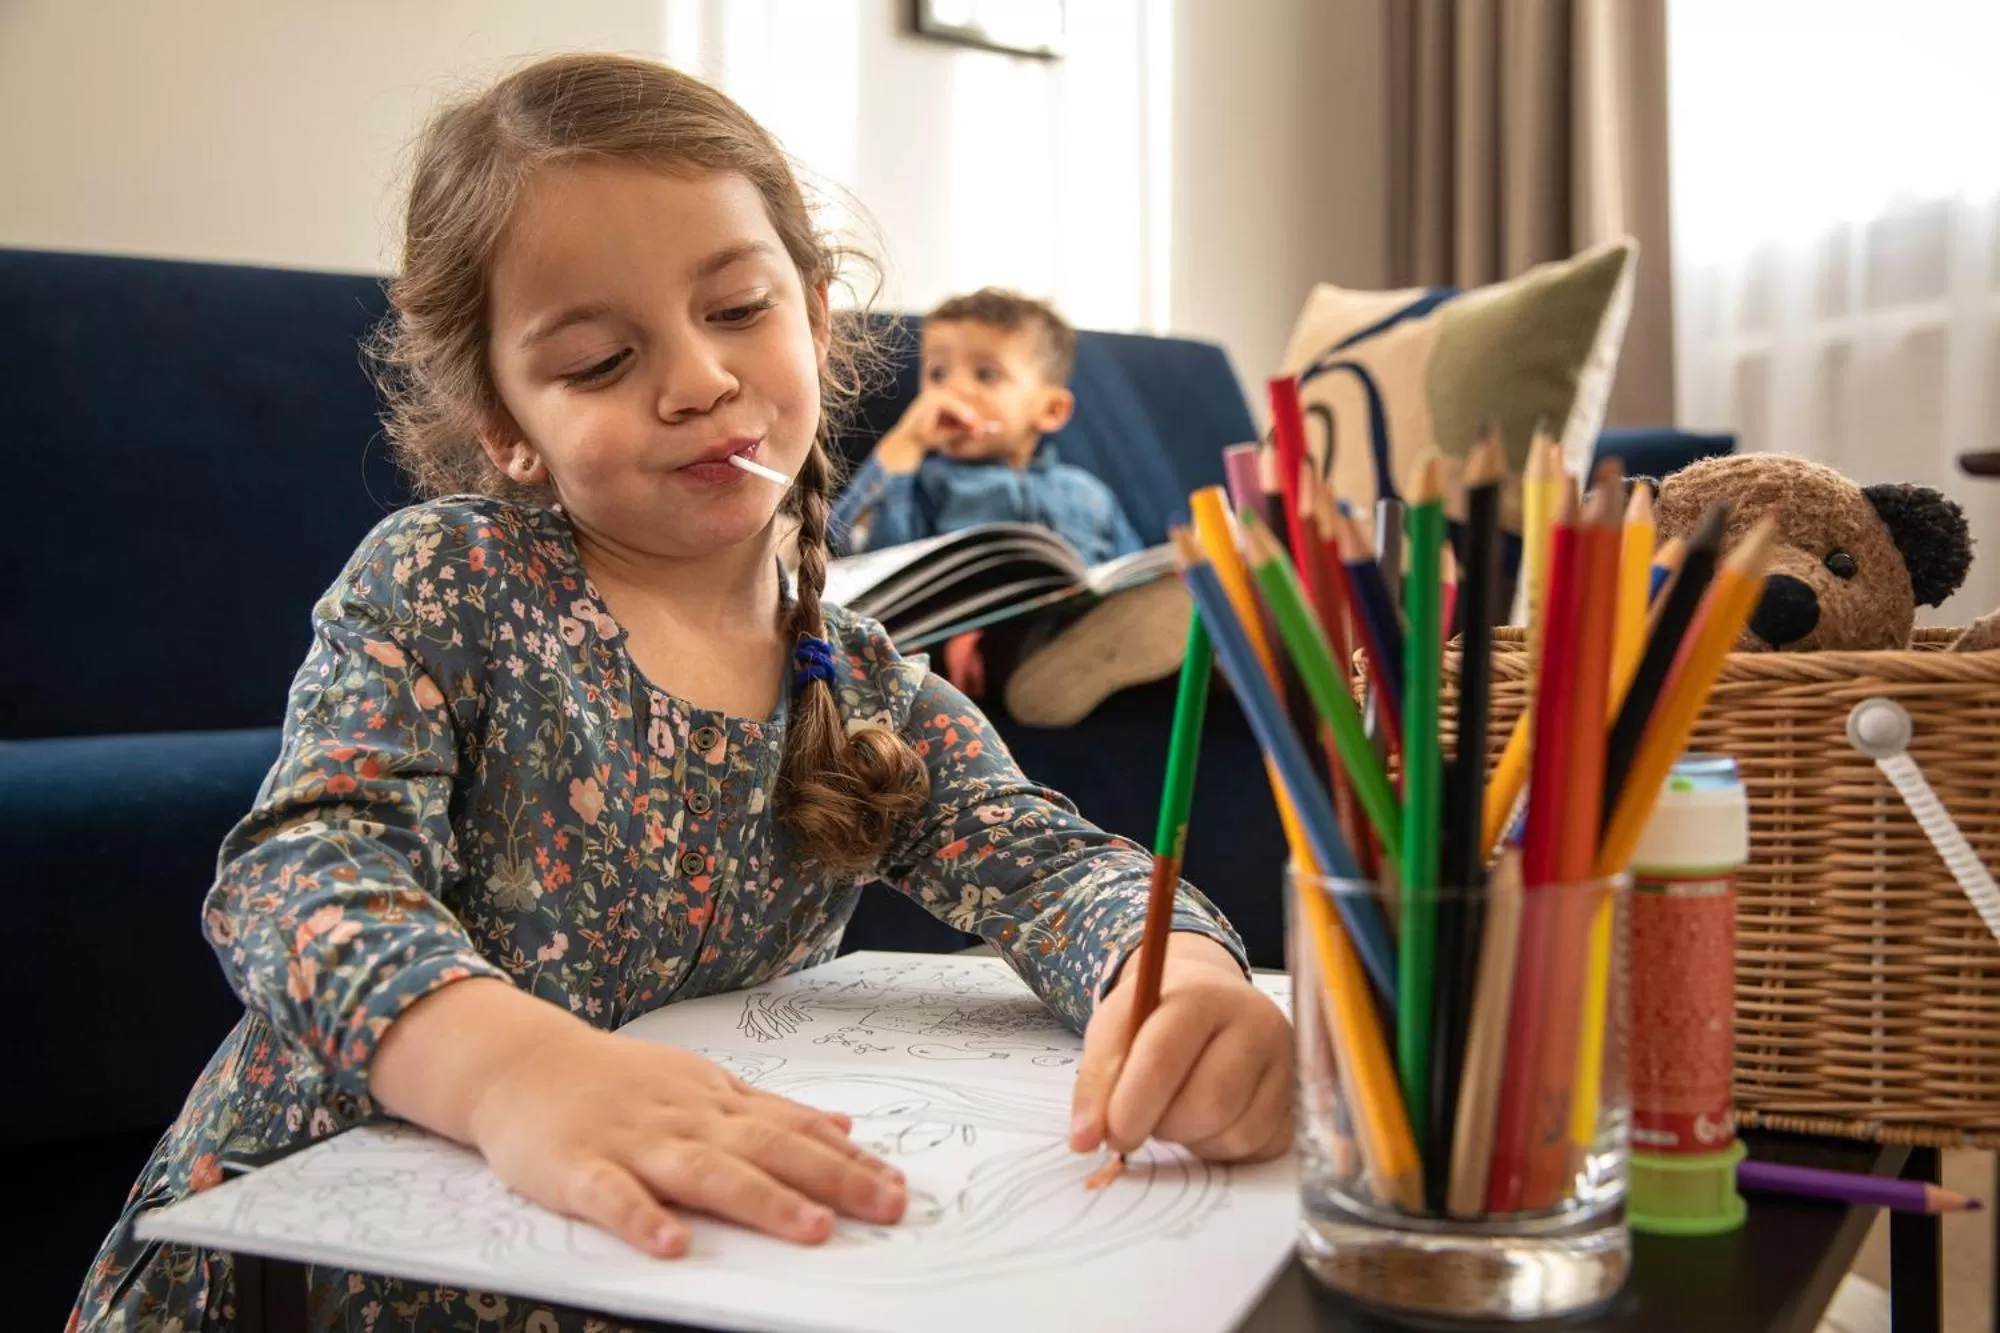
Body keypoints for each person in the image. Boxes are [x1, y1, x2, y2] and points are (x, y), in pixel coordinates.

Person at [71, 54, 1290, 1332]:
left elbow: (1052, 867)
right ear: (506, 424)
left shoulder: (860, 678)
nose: (697, 381)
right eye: (598, 361)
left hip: (640, 1266)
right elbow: (293, 876)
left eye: (739, 308)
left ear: (816, 317)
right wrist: (502, 1069)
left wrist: (1187, 984)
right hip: (307, 1262)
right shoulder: (449, 581)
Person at [831, 290, 1191, 727]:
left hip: (1089, 615)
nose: (954, 390)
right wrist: (905, 444)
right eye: (938, 374)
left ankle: (1166, 657)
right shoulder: (924, 482)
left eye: (986, 375)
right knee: (998, 642)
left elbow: (1129, 566)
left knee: (1154, 607)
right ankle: (1054, 672)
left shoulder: (1086, 491)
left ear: (1051, 410)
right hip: (985, 636)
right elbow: (861, 547)